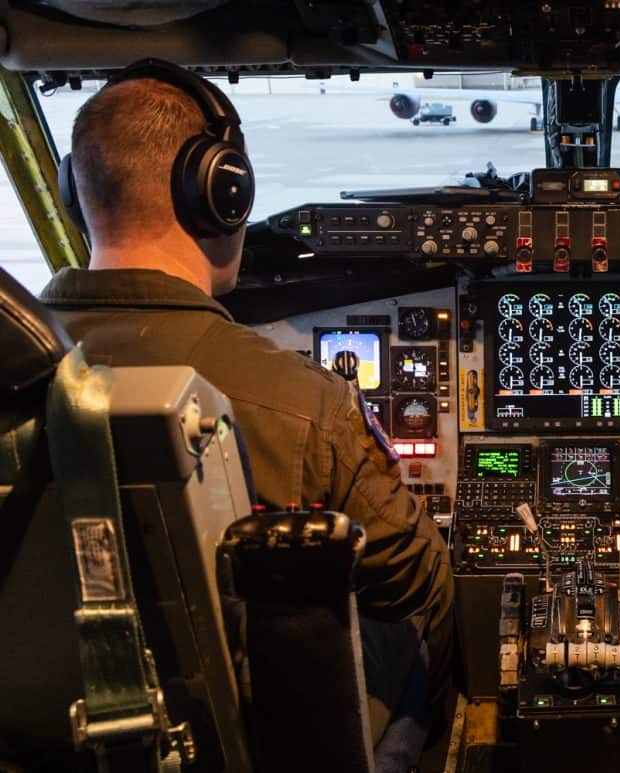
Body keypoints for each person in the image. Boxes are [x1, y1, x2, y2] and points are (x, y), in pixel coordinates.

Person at [39, 60, 453, 759]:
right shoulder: (298, 406)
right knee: (430, 613)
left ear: (77, 198)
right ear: (222, 193)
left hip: (46, 736)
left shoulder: (16, 369)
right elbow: (414, 575)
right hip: (245, 744)